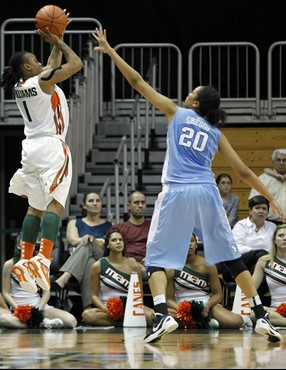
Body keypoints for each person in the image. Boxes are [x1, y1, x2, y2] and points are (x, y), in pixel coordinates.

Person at [92, 27, 285, 343]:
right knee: (230, 257)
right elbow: (245, 173)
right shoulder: (215, 133)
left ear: (195, 103)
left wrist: (112, 51)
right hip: (208, 192)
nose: (187, 94)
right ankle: (262, 317)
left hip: (177, 190)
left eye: (192, 92)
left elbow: (138, 83)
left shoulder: (177, 112)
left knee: (155, 259)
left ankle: (162, 316)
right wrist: (273, 201)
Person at [0, 18, 83, 294]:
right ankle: (44, 261)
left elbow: (49, 67)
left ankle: (25, 260)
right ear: (26, 67)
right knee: (55, 203)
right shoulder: (42, 80)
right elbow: (76, 65)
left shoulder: (22, 86)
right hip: (51, 146)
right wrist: (59, 41)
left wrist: (56, 35)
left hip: (30, 149)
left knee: (35, 205)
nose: (40, 62)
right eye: (34, 60)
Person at [166, 234, 252, 329]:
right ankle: (205, 322)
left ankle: (202, 321)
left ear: (196, 244)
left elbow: (218, 294)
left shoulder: (208, 265)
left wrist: (207, 305)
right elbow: (169, 299)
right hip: (181, 308)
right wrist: (182, 310)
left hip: (206, 306)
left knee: (237, 322)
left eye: (191, 241)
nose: (189, 244)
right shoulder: (171, 268)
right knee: (163, 317)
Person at [0, 233, 77, 329]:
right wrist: (17, 309)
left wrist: (39, 311)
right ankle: (42, 323)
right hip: (19, 308)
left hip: (39, 306)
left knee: (71, 321)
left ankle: (37, 321)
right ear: (19, 246)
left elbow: (46, 292)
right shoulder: (9, 264)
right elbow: (5, 292)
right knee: (3, 319)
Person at [82, 228, 154, 326]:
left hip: (131, 308)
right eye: (114, 240)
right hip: (107, 309)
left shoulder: (133, 265)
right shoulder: (98, 265)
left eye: (120, 240)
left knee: (153, 317)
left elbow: (139, 295)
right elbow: (94, 295)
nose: (118, 242)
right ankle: (126, 322)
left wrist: (132, 309)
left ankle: (123, 321)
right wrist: (105, 309)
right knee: (87, 315)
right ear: (107, 245)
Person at [54, 192, 112, 310]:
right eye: (91, 201)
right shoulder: (74, 222)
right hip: (85, 260)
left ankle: (65, 276)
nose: (95, 203)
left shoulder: (110, 225)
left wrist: (93, 239)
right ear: (84, 206)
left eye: (97, 201)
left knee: (88, 243)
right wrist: (87, 239)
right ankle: (89, 308)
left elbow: (108, 245)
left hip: (102, 257)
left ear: (101, 204)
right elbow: (73, 240)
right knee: (90, 261)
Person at [220, 195, 277, 291]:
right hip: (239, 262)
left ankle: (254, 301)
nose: (261, 211)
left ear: (267, 212)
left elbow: (276, 248)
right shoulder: (241, 225)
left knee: (259, 268)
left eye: (264, 208)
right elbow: (236, 247)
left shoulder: (273, 227)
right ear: (250, 211)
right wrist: (256, 253)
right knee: (262, 254)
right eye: (257, 208)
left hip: (262, 265)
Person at [251, 224, 286, 327]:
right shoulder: (264, 261)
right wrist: (270, 309)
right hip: (275, 311)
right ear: (274, 240)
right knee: (254, 314)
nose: (284, 238)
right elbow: (251, 289)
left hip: (277, 315)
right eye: (281, 235)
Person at [249, 149, 286, 224]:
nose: (281, 163)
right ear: (273, 162)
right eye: (278, 160)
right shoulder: (263, 179)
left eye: (284, 160)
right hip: (268, 223)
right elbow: (253, 201)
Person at [112, 190, 151, 263]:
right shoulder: (118, 228)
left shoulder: (153, 227)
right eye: (136, 202)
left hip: (149, 264)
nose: (140, 206)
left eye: (143, 202)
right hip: (126, 264)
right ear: (128, 206)